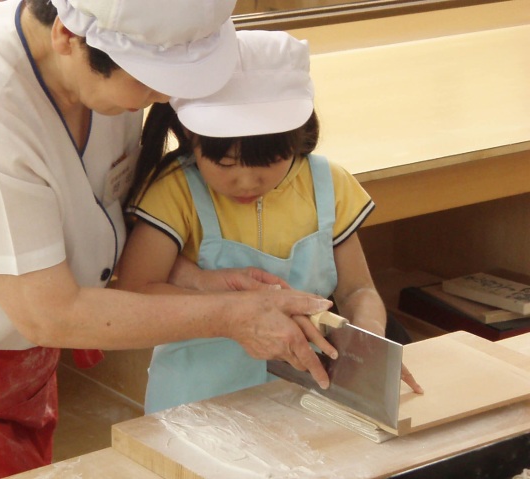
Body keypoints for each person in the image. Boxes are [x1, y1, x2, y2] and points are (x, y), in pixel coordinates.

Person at [0, 1, 334, 477]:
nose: (162, 97)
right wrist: (232, 317)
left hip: (22, 368)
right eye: (148, 80)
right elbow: (50, 312)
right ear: (67, 37)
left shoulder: (95, 73)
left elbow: (102, 211)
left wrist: (196, 280)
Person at [116, 30, 423, 414]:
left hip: (307, 396)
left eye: (267, 163)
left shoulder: (329, 185)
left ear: (297, 138)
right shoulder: (176, 191)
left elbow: (358, 290)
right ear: (192, 135)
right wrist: (229, 310)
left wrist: (369, 339)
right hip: (194, 401)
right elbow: (135, 293)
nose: (246, 181)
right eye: (224, 163)